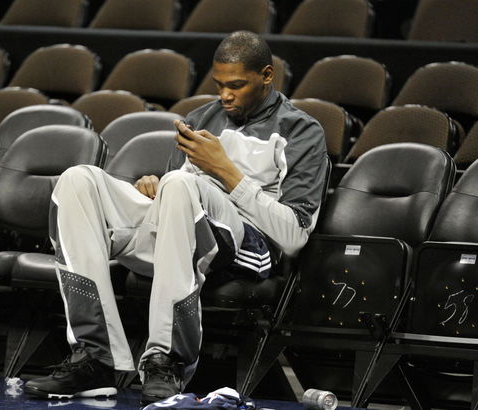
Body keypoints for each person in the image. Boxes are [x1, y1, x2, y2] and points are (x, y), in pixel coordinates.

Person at [24, 30, 327, 404]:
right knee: (77, 181)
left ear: (267, 75)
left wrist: (226, 172)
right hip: (180, 230)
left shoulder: (302, 131)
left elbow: (295, 237)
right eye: (219, 85)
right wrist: (155, 186)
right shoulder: (201, 117)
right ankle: (97, 359)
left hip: (245, 247)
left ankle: (166, 360)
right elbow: (178, 191)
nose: (225, 95)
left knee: (182, 185)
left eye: (237, 85)